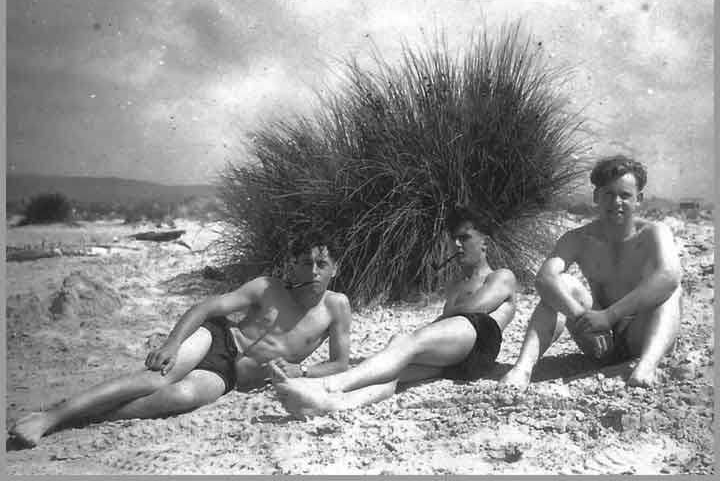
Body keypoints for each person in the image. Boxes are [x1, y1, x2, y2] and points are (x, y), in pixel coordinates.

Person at [9, 233, 351, 447]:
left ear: (334, 269)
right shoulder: (268, 287)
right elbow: (206, 308)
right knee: (155, 379)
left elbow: (340, 363)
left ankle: (83, 417)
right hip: (217, 339)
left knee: (180, 395)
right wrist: (172, 344)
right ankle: (49, 417)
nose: (314, 271)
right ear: (293, 267)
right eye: (306, 263)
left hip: (230, 375)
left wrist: (302, 372)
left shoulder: (336, 307)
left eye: (322, 264)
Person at [272, 206, 517, 416]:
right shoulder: (456, 285)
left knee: (403, 344)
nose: (456, 245)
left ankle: (329, 385)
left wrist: (415, 339)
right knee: (392, 371)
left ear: (485, 242)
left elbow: (475, 310)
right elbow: (450, 324)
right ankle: (331, 404)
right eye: (453, 238)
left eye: (464, 238)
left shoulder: (501, 276)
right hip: (459, 359)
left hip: (481, 340)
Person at [500, 155, 682, 390]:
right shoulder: (578, 238)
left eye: (625, 195)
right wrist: (582, 318)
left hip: (642, 335)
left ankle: (646, 367)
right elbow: (544, 278)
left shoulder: (654, 233)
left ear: (639, 199)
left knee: (672, 292)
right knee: (562, 283)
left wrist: (610, 315)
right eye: (609, 194)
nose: (616, 202)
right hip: (599, 339)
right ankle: (522, 368)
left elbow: (669, 276)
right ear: (596, 196)